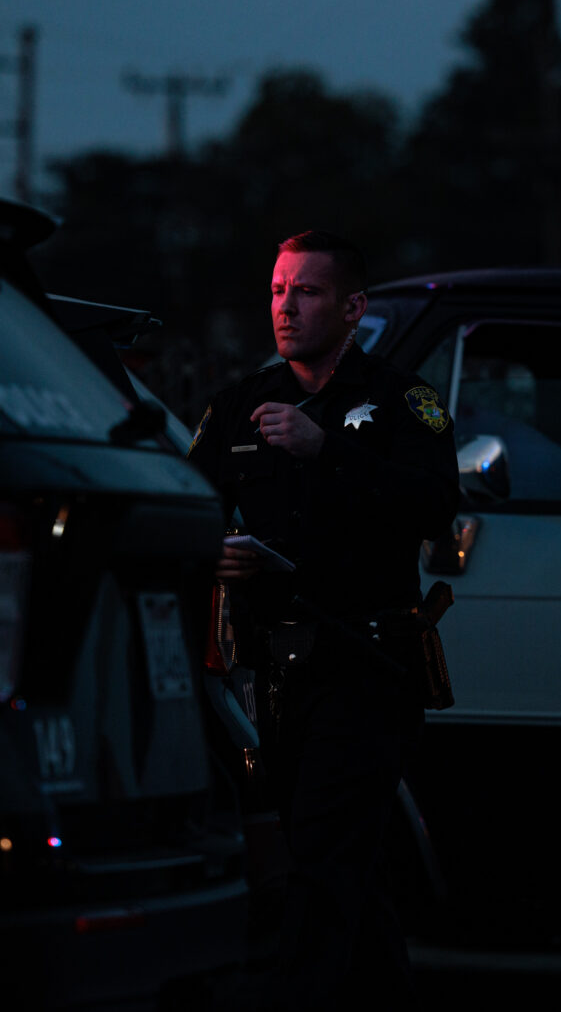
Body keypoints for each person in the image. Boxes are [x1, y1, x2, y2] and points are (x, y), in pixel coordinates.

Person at [187, 230, 459, 1010]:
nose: (286, 305)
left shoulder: (406, 402)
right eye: (277, 289)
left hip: (366, 662)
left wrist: (327, 446)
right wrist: (221, 554)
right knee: (342, 864)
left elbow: (436, 503)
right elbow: (192, 504)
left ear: (353, 307)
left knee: (319, 860)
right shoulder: (239, 402)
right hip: (272, 669)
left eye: (306, 291)